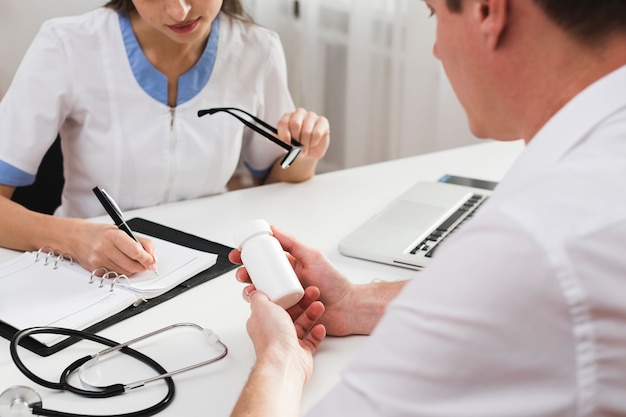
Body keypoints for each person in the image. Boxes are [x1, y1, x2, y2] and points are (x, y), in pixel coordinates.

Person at [228, 0, 626, 415]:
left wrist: (278, 358)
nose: (436, 50)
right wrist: (352, 302)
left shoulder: (531, 242)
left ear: (488, 11)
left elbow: (513, 278)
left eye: (435, 14)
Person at [0, 0, 330, 276]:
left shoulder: (257, 49)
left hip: (212, 268)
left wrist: (306, 152)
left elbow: (273, 184)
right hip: (86, 274)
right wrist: (74, 239)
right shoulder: (67, 44)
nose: (179, 10)